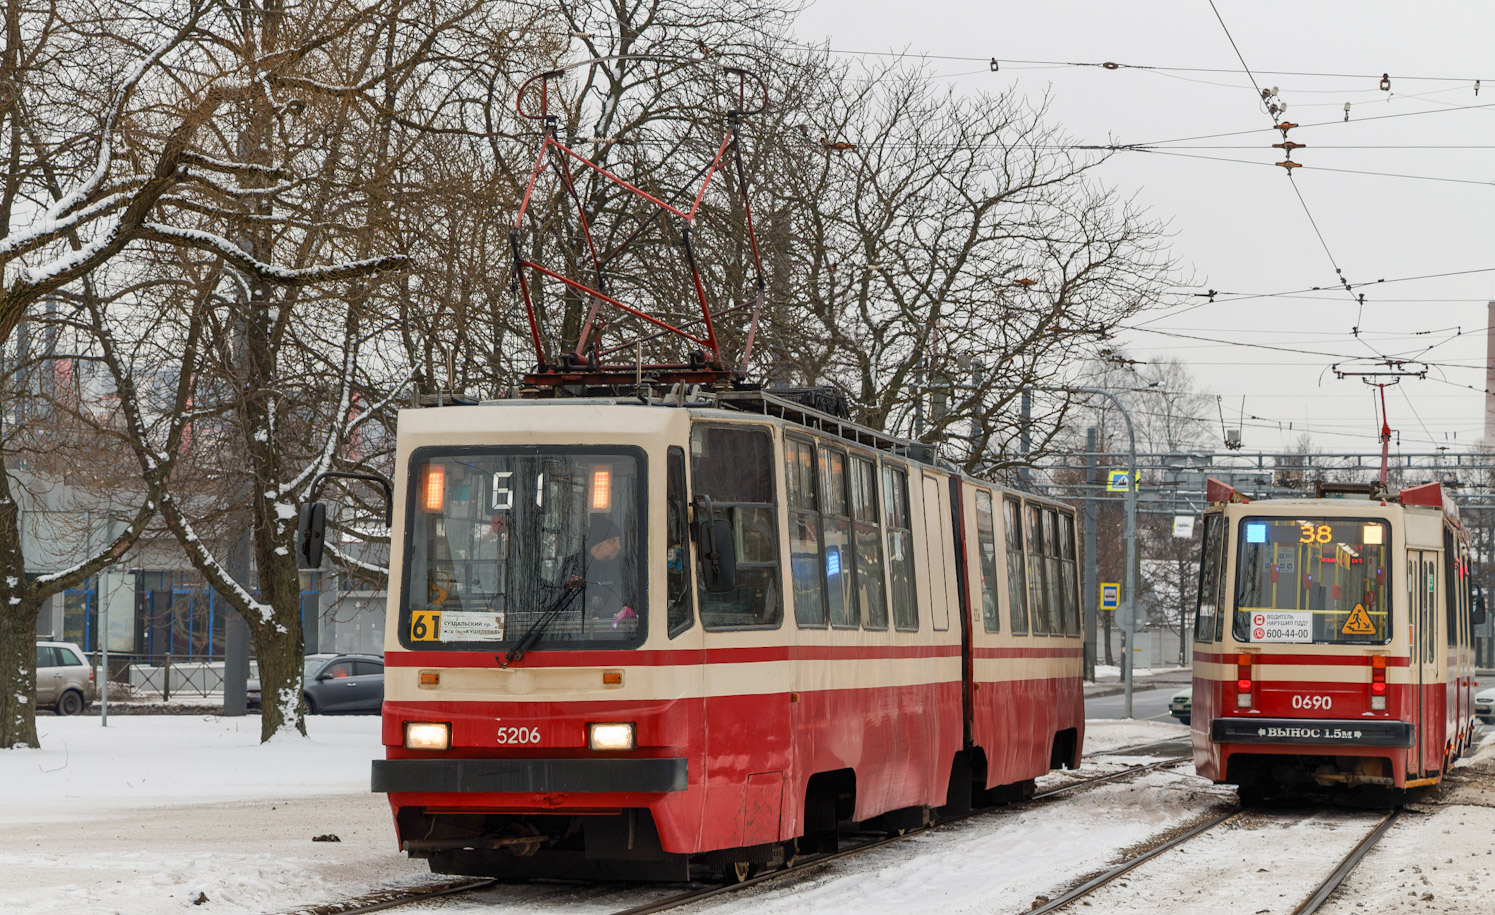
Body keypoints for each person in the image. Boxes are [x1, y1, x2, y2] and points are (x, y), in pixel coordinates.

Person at [560, 515, 636, 627]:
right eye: (612, 541)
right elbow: (561, 599)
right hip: (573, 630)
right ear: (597, 543)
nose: (618, 547)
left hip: (615, 632)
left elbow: (623, 598)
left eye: (618, 541)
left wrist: (601, 617)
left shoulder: (624, 566)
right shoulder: (572, 564)